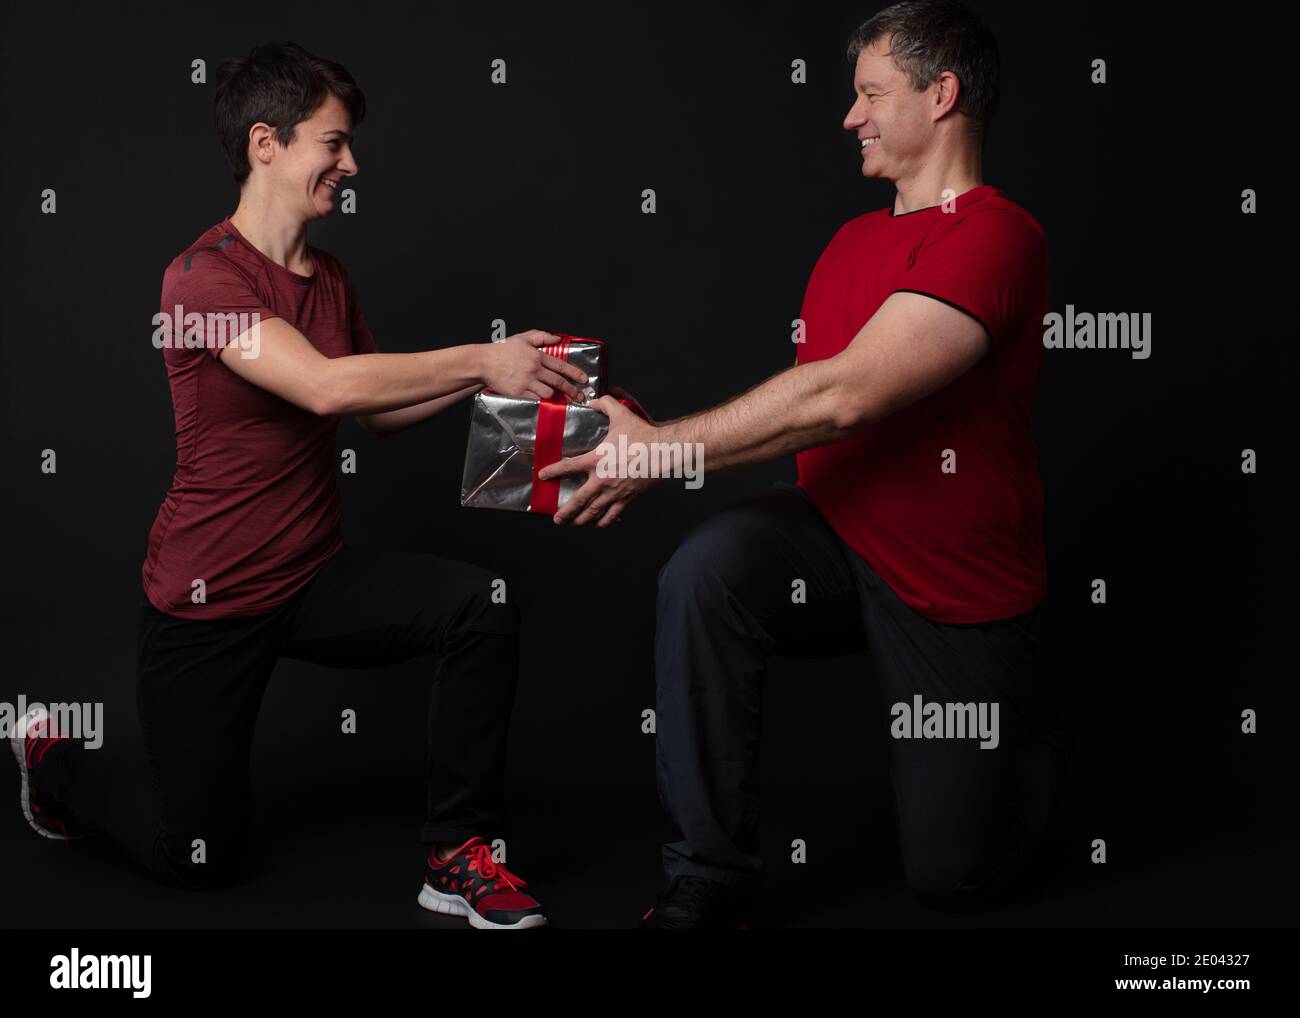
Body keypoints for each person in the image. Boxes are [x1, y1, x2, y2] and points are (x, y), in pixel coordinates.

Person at [8, 40, 589, 931]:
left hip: (313, 576)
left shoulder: (332, 278)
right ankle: (53, 762)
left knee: (484, 606)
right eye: (334, 143)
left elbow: (375, 414)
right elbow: (325, 385)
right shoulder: (200, 280)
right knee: (197, 858)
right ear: (266, 144)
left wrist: (500, 379)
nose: (351, 164)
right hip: (208, 598)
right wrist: (482, 356)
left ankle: (460, 852)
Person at [541, 0, 1069, 928]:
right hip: (835, 532)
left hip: (954, 579)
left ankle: (1018, 748)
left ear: (941, 95)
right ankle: (709, 870)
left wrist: (658, 455)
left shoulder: (996, 235)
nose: (850, 116)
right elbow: (799, 407)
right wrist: (640, 432)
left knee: (953, 874)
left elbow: (846, 396)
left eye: (871, 93)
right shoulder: (850, 241)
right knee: (708, 572)